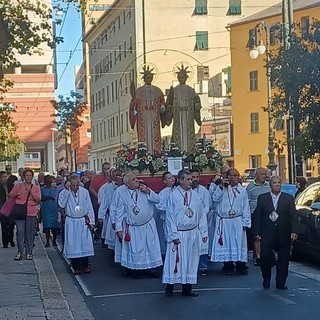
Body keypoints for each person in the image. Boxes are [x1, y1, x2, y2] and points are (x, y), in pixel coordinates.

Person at [162, 169, 208, 297]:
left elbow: (201, 214)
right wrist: (173, 235)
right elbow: (170, 217)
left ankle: (187, 288)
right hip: (179, 233)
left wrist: (203, 232)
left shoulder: (196, 195)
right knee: (175, 261)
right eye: (188, 179)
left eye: (191, 179)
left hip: (192, 232)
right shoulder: (174, 195)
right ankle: (170, 285)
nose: (190, 181)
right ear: (180, 180)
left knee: (191, 260)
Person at [114, 171, 162, 279]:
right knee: (135, 249)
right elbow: (119, 212)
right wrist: (119, 229)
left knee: (149, 247)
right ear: (127, 184)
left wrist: (148, 191)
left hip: (147, 225)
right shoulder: (123, 194)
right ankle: (136, 269)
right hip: (132, 227)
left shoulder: (145, 190)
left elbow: (158, 200)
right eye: (133, 180)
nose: (137, 181)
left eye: (136, 178)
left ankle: (151, 268)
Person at [253, 175, 298, 290]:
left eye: (279, 183)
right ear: (270, 185)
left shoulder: (288, 198)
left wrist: (294, 231)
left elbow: (293, 216)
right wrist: (257, 232)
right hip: (267, 233)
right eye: (274, 183)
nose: (277, 185)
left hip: (283, 233)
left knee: (284, 259)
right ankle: (266, 277)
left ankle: (281, 282)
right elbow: (258, 216)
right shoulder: (263, 198)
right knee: (265, 257)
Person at [210, 168, 251, 275]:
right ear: (227, 177)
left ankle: (240, 265)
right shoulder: (222, 188)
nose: (235, 178)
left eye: (237, 175)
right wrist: (220, 186)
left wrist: (246, 223)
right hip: (224, 221)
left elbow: (246, 207)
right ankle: (228, 266)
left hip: (237, 220)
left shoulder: (242, 190)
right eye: (232, 175)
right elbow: (214, 199)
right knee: (226, 243)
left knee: (239, 242)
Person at [58, 175, 95, 275]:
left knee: (84, 244)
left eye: (76, 185)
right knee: (73, 244)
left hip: (82, 220)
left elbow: (89, 206)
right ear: (69, 184)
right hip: (72, 221)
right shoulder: (64, 192)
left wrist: (91, 221)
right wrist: (67, 191)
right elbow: (61, 204)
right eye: (73, 185)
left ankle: (85, 265)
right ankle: (76, 267)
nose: (75, 187)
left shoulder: (84, 192)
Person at [129, 65, 166, 153]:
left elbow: (162, 103)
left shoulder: (158, 91)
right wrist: (133, 108)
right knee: (144, 136)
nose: (150, 79)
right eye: (148, 77)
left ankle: (156, 152)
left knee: (154, 135)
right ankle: (144, 152)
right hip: (143, 118)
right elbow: (134, 105)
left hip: (154, 117)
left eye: (151, 77)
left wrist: (162, 108)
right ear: (144, 78)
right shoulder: (138, 91)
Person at [166, 64, 201, 153]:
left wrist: (197, 106)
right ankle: (178, 152)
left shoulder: (191, 90)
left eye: (183, 77)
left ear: (186, 77)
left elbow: (197, 102)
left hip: (188, 118)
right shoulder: (173, 90)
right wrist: (169, 112)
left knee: (189, 136)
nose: (181, 78)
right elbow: (168, 104)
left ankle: (190, 152)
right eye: (179, 77)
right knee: (178, 137)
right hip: (178, 118)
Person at [9, 169, 41, 260]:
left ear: (32, 176)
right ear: (23, 176)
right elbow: (11, 195)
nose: (28, 177)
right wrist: (18, 193)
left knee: (30, 233)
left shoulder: (35, 187)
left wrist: (30, 191)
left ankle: (29, 252)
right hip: (19, 211)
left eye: (30, 175)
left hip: (31, 212)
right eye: (26, 175)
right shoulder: (18, 186)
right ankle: (20, 251)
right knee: (20, 231)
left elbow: (38, 199)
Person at [246, 167, 270, 266]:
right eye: (262, 174)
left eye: (265, 174)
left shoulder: (268, 186)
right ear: (256, 175)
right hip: (254, 214)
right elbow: (246, 201)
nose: (264, 176)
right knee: (256, 236)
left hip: (267, 214)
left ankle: (265, 255)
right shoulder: (250, 187)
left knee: (266, 236)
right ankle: (258, 257)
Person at [190, 169, 211, 276]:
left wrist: (199, 216)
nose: (195, 179)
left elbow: (207, 206)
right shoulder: (185, 191)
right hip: (189, 223)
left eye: (197, 177)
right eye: (192, 177)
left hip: (200, 221)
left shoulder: (204, 191)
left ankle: (203, 266)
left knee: (202, 243)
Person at [98, 169, 121, 249]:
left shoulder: (125, 187)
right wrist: (101, 215)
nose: (116, 177)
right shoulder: (108, 187)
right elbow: (104, 201)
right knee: (112, 236)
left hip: (122, 216)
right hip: (112, 215)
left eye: (118, 175)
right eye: (114, 176)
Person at [154, 171, 176, 257]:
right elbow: (159, 206)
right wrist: (170, 210)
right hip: (168, 219)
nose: (172, 179)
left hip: (178, 219)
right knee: (169, 238)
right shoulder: (163, 193)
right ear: (165, 181)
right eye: (169, 178)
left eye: (172, 177)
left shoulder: (178, 190)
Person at [41, 175, 59, 247]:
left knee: (55, 225)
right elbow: (40, 198)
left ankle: (54, 240)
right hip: (46, 208)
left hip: (54, 208)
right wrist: (47, 197)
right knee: (47, 225)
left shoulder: (55, 188)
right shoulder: (42, 189)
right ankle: (47, 240)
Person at [0, 171, 15, 248]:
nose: (5, 178)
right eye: (3, 177)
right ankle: (5, 242)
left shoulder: (10, 185)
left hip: (10, 207)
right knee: (4, 226)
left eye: (6, 176)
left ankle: (11, 239)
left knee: (11, 225)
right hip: (2, 208)